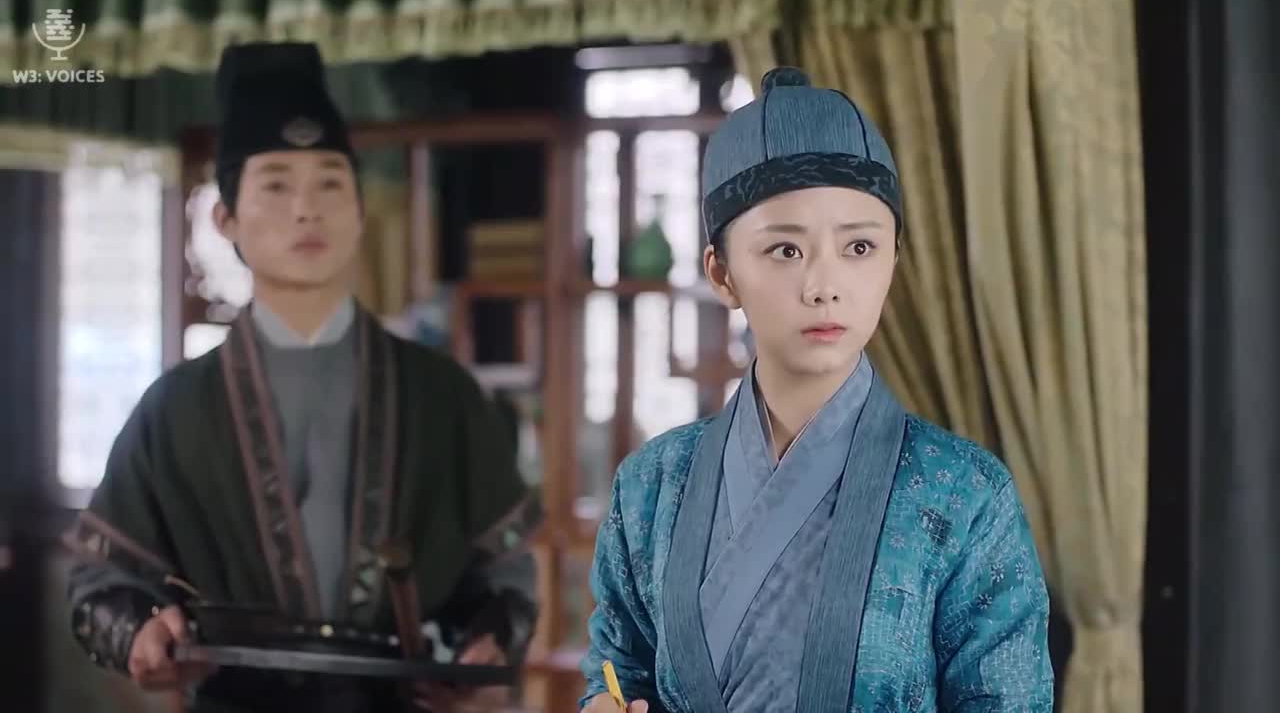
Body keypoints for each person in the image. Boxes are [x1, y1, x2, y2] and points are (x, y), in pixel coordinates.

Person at [63, 42, 540, 713]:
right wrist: (137, 632)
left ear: (360, 210)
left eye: (330, 184)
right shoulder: (176, 407)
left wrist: (488, 646)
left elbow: (507, 576)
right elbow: (98, 579)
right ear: (226, 218)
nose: (306, 209)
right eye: (277, 184)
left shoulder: (441, 393)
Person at [579, 67, 1054, 712]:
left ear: (894, 259)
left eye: (859, 247)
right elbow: (618, 670)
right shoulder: (653, 485)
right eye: (785, 251)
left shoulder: (964, 492)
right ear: (721, 274)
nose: (824, 286)